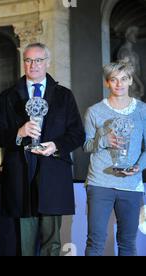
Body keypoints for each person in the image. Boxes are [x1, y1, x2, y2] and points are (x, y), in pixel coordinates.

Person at [0, 42, 85, 256]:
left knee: (52, 243)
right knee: (24, 243)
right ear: (23, 63)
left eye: (38, 60)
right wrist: (19, 133)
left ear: (47, 63)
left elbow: (77, 134)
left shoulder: (64, 95)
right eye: (28, 60)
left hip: (53, 171)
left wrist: (56, 146)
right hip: (20, 174)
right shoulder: (8, 96)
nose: (33, 64)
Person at [83, 60, 146, 256]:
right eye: (113, 80)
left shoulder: (143, 110)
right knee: (96, 241)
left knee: (128, 242)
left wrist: (139, 166)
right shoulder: (94, 111)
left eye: (124, 79)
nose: (119, 84)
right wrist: (104, 139)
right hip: (100, 183)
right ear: (107, 83)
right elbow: (86, 145)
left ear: (130, 82)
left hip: (131, 183)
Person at [117, 26, 144, 100]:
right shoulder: (123, 52)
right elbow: (129, 70)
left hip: (135, 87)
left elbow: (138, 71)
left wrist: (139, 85)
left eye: (136, 34)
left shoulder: (134, 54)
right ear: (127, 35)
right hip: (128, 88)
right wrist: (141, 85)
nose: (136, 36)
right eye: (133, 33)